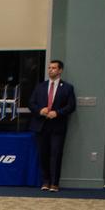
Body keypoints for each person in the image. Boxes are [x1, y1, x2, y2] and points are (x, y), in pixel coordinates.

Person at [29, 59, 76, 192]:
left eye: (54, 68)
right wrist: (40, 110)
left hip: (57, 126)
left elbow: (71, 106)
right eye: (49, 68)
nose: (51, 70)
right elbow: (31, 103)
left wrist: (57, 113)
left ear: (60, 70)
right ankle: (45, 181)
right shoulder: (40, 86)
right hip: (41, 125)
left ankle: (54, 183)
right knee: (43, 154)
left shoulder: (67, 88)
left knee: (56, 154)